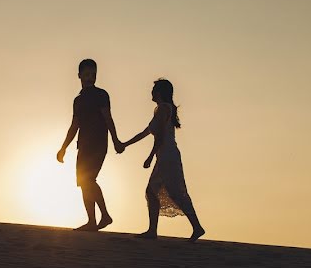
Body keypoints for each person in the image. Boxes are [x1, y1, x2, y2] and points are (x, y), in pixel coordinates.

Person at [121, 79, 205, 241]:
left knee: (175, 193)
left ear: (159, 92)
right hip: (166, 156)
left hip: (168, 156)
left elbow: (159, 136)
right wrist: (124, 144)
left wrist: (150, 157)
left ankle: (196, 227)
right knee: (153, 191)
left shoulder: (163, 109)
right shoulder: (161, 109)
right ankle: (154, 230)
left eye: (153, 90)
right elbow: (145, 132)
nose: (151, 92)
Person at [57, 59, 124, 231]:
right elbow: (74, 125)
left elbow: (108, 118)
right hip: (83, 145)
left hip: (98, 143)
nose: (89, 77)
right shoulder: (78, 100)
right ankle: (92, 221)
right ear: (79, 75)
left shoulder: (101, 95)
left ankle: (105, 215)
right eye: (86, 74)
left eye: (93, 74)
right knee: (83, 182)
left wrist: (116, 140)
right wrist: (63, 148)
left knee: (89, 180)